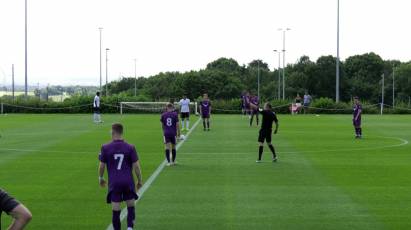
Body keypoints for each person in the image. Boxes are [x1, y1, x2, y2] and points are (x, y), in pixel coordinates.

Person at [98, 123, 143, 230]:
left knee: (116, 210)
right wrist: (139, 180)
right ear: (122, 132)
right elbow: (136, 166)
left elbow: (101, 166)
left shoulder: (105, 147)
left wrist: (100, 178)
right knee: (131, 206)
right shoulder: (130, 147)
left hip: (114, 182)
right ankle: (129, 228)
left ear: (113, 132)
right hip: (128, 181)